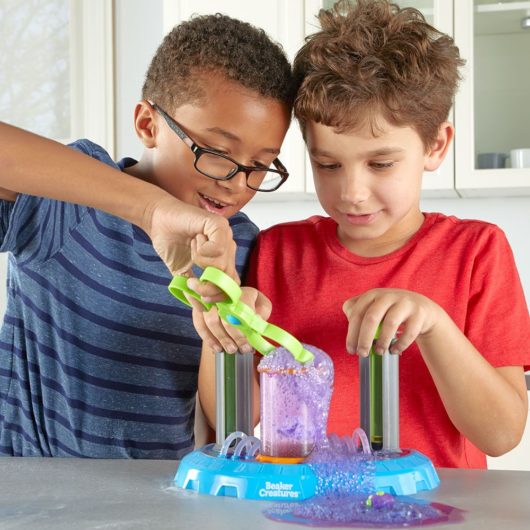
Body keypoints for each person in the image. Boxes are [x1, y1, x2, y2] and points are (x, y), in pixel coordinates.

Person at [196, 0, 530, 468]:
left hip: (433, 510)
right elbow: (238, 425)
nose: (352, 192)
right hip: (302, 505)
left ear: (436, 146)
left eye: (381, 163)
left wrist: (434, 326)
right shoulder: (279, 251)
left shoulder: (477, 251)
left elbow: (500, 435)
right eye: (327, 165)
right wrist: (225, 333)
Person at [0, 13, 295, 458]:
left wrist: (224, 329)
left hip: (160, 505)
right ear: (147, 124)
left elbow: (234, 427)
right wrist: (152, 210)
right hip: (38, 505)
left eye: (260, 165)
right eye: (217, 153)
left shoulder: (241, 244)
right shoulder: (73, 202)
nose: (238, 183)